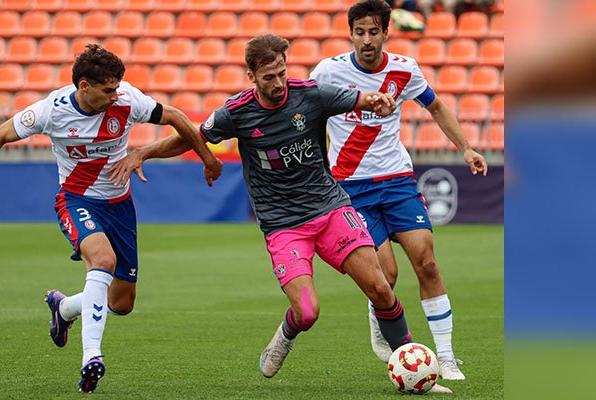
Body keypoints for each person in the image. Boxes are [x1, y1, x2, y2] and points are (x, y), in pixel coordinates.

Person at [108, 34, 422, 383]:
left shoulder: (311, 94)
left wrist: (377, 101)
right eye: (269, 77)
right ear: (251, 76)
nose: (278, 83)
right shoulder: (237, 112)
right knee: (307, 312)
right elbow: (191, 136)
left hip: (330, 208)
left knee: (380, 288)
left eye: (282, 73)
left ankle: (410, 365)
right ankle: (285, 335)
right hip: (283, 226)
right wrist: (143, 152)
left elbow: (361, 98)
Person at [0, 44, 222, 393]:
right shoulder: (52, 110)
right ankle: (92, 356)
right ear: (84, 87)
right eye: (108, 89)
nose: (115, 95)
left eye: (117, 87)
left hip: (120, 205)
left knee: (121, 303)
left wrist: (207, 159)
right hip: (76, 200)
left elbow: (176, 118)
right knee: (103, 261)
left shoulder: (127, 100)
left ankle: (64, 308)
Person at [309, 0, 488, 380]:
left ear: (386, 32)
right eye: (359, 32)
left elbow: (436, 107)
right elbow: (305, 112)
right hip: (351, 189)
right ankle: (380, 312)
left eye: (374, 32)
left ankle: (446, 357)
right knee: (386, 276)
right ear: (351, 33)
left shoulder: (405, 69)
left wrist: (466, 147)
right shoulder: (329, 72)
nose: (366, 40)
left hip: (397, 181)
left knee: (426, 261)